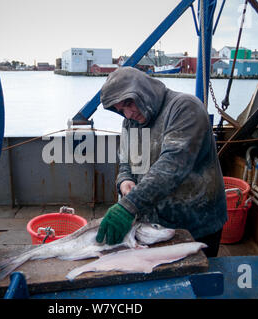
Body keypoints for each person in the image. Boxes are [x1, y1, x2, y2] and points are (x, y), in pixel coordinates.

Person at [95, 66, 227, 257]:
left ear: (142, 90)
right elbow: (126, 160)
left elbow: (172, 165)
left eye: (128, 103)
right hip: (153, 226)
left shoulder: (185, 107)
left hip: (196, 224)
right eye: (121, 110)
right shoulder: (130, 122)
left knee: (196, 279)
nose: (128, 113)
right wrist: (125, 180)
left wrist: (128, 206)